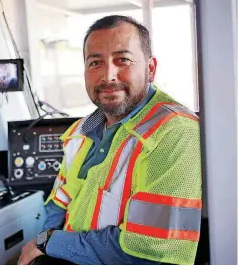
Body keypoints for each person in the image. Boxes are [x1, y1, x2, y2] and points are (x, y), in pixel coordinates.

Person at [18, 15, 202, 265]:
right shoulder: (80, 131)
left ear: (150, 68)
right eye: (95, 62)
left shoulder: (174, 131)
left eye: (122, 60)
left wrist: (48, 242)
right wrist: (42, 249)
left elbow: (148, 251)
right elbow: (58, 203)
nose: (108, 76)